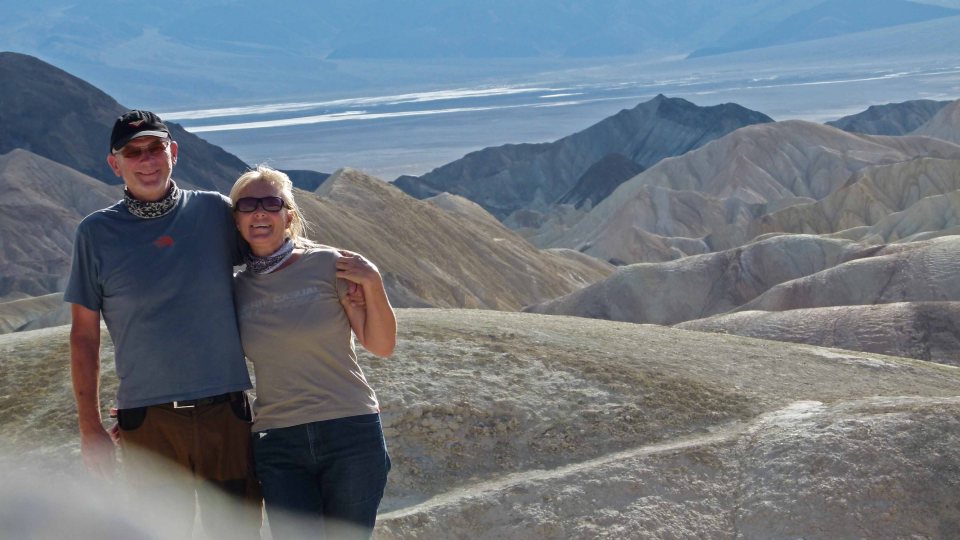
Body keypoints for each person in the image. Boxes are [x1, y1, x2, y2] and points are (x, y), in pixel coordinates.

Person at [65, 110, 262, 538]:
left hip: (226, 414)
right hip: (148, 424)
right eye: (133, 152)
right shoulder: (95, 234)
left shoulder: (214, 211)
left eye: (155, 148)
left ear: (173, 152)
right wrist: (89, 427)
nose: (147, 160)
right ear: (115, 164)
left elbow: (271, 259)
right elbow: (83, 336)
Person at [230, 165, 396, 539]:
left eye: (271, 203)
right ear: (236, 220)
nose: (260, 213)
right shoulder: (234, 289)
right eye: (248, 205)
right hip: (278, 442)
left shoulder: (329, 264)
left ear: (289, 216)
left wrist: (373, 281)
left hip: (350, 431)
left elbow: (381, 345)